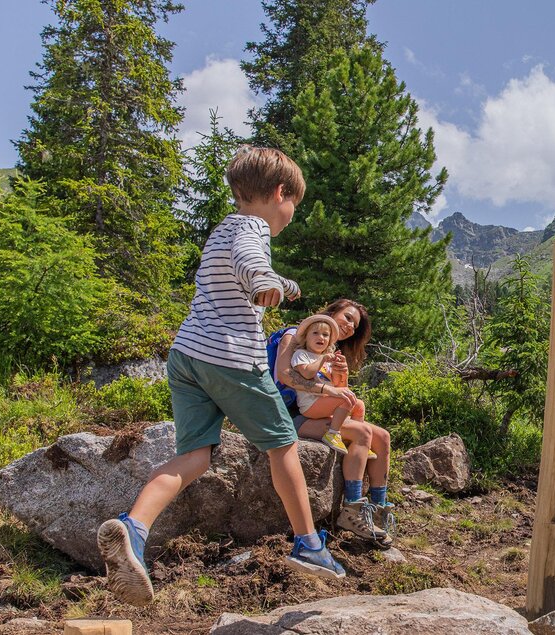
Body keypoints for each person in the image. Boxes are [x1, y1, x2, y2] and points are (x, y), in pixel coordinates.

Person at [96, 146, 345, 607]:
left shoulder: (222, 230)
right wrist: (266, 283)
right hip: (230, 358)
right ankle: (310, 546)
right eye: (294, 205)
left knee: (195, 455)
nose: (291, 215)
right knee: (283, 445)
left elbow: (239, 267)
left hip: (187, 355)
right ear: (278, 193)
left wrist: (282, 284)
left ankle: (133, 528)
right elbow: (252, 263)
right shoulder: (253, 229)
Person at [275, 299, 395, 547]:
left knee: (382, 437)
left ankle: (378, 510)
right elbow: (285, 376)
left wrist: (341, 374)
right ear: (332, 313)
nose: (350, 327)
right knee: (361, 432)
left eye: (355, 326)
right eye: (348, 318)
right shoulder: (295, 337)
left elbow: (341, 392)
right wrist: (326, 389)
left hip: (321, 412)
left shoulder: (328, 350)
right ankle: (352, 510)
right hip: (293, 414)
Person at [289, 314, 362, 455]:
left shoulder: (327, 358)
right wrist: (322, 359)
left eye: (325, 335)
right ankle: (333, 433)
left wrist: (338, 370)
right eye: (315, 333)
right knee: (344, 398)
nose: (320, 337)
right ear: (306, 337)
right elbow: (307, 374)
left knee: (359, 405)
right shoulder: (301, 354)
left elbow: (337, 385)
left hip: (323, 401)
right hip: (310, 404)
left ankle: (357, 434)